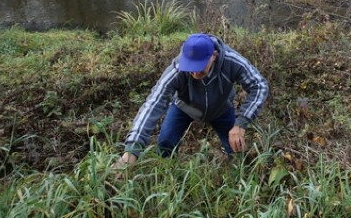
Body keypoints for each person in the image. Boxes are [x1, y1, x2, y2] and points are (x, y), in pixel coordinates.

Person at [115, 33, 269, 167]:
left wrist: (241, 123)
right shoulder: (177, 69)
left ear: (213, 56)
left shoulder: (232, 61)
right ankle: (166, 177)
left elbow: (259, 85)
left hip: (221, 109)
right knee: (165, 145)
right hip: (184, 107)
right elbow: (153, 104)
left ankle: (239, 177)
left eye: (200, 65)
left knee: (236, 150)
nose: (194, 71)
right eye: (191, 66)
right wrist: (131, 150)